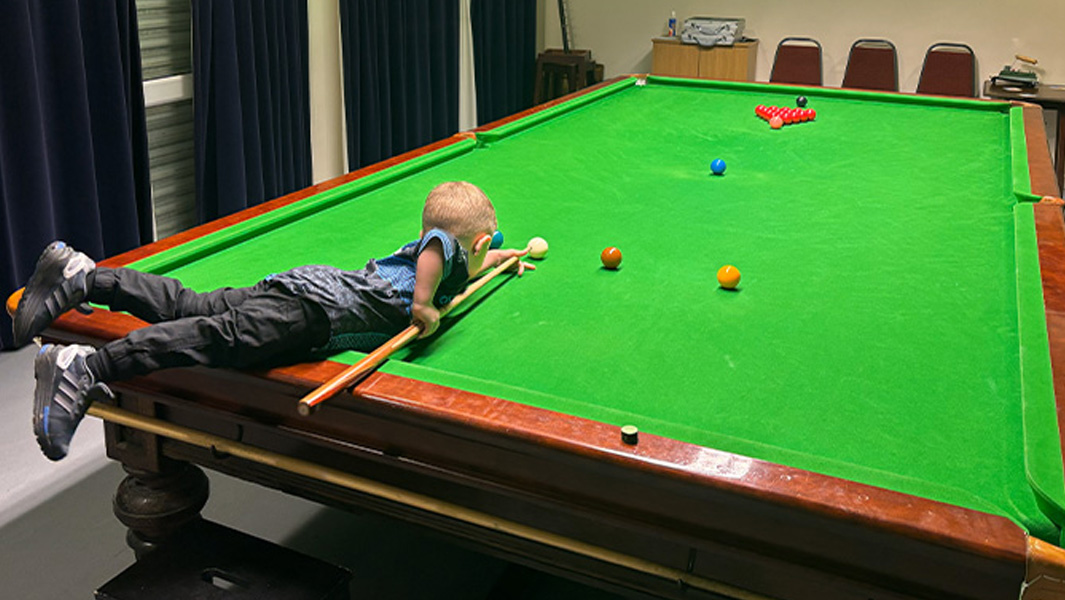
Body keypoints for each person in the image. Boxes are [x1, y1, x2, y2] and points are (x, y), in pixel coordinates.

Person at [13, 181, 533, 461]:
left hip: (305, 288)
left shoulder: (458, 256)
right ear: (474, 240)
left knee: (193, 306)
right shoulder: (435, 253)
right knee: (212, 338)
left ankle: (84, 277)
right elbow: (440, 250)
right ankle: (86, 366)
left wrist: (507, 260)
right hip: (314, 316)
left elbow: (463, 259)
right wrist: (423, 306)